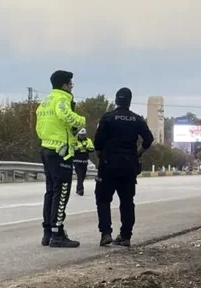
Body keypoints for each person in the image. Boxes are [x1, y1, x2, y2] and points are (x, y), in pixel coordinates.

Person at [94, 87, 154, 247]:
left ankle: (105, 233)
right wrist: (138, 153)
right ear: (129, 101)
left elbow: (97, 143)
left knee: (103, 199)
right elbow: (149, 139)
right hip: (129, 165)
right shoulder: (137, 119)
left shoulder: (108, 118)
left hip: (108, 165)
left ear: (116, 100)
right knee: (127, 201)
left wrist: (100, 155)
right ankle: (126, 236)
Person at [35, 70, 86, 248]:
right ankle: (57, 233)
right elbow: (65, 115)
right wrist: (81, 121)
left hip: (46, 148)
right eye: (70, 83)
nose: (72, 86)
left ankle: (47, 232)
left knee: (50, 191)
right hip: (60, 150)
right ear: (65, 85)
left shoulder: (45, 101)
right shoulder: (63, 98)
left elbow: (39, 126)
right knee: (62, 191)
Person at [73, 128, 94, 196]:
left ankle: (78, 188)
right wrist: (81, 148)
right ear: (78, 134)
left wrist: (85, 148)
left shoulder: (88, 140)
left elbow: (91, 148)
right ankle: (80, 190)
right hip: (77, 161)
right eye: (81, 135)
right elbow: (73, 148)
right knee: (79, 175)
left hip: (84, 161)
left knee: (83, 176)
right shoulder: (74, 140)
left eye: (83, 135)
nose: (82, 136)